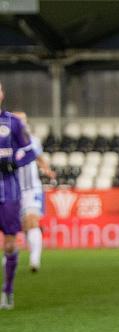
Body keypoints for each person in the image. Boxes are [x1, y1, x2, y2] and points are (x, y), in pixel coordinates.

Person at [0, 83, 37, 309]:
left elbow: (30, 150)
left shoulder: (13, 122)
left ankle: (8, 291)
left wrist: (14, 160)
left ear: (2, 94)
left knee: (11, 241)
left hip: (9, 187)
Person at [14, 112, 55, 272]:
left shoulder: (32, 140)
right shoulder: (5, 142)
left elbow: (38, 157)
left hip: (31, 188)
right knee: (23, 226)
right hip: (14, 189)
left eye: (23, 120)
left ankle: (34, 260)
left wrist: (47, 169)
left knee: (32, 221)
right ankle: (12, 256)